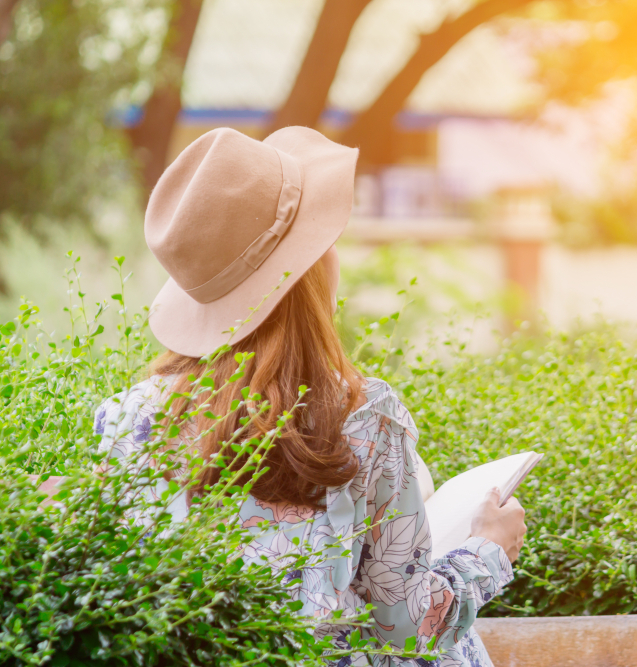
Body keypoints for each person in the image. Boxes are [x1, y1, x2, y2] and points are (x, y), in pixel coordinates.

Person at [93, 127, 527, 667]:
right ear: (310, 270)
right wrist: (487, 551)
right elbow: (407, 627)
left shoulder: (125, 418)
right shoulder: (365, 416)